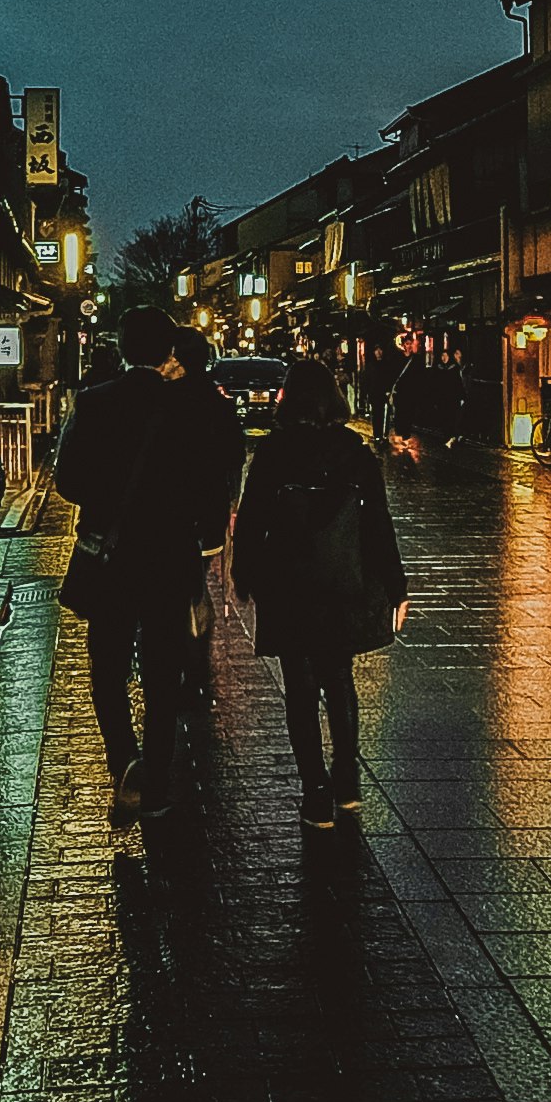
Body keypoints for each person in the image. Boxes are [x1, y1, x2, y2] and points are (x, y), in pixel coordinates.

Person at [50, 304, 244, 832]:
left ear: (121, 346)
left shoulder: (93, 404)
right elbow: (214, 475)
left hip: (112, 559)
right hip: (170, 556)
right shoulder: (189, 405)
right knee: (163, 673)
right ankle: (156, 784)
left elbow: (67, 481)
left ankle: (123, 760)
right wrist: (205, 532)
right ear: (170, 348)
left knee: (108, 668)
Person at [231, 348, 408, 828]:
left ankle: (314, 792)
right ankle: (347, 778)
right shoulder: (355, 453)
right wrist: (397, 586)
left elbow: (251, 521)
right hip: (341, 581)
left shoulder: (273, 451)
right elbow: (377, 524)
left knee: (301, 688)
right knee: (338, 676)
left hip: (288, 585)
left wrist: (242, 574)